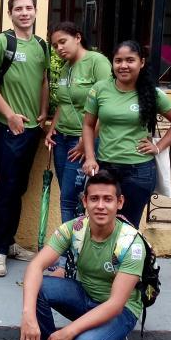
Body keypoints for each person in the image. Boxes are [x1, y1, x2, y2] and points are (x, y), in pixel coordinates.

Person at [15, 171, 145, 340]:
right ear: (85, 201)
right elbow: (35, 266)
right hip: (85, 296)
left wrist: (69, 331)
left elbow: (115, 305)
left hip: (119, 311)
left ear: (119, 203)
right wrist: (28, 314)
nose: (100, 206)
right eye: (94, 198)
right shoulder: (74, 228)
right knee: (38, 286)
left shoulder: (132, 243)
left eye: (108, 199)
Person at [0, 0, 50, 277]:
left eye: (28, 7)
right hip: (9, 131)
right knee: (7, 189)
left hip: (32, 130)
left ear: (35, 11)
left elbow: (44, 79)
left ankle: (8, 243)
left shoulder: (42, 45)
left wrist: (44, 111)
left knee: (19, 188)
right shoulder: (2, 42)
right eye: (18, 8)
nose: (24, 12)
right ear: (10, 13)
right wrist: (9, 114)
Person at [82, 40, 171, 228]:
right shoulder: (100, 89)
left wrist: (158, 147)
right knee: (102, 225)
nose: (123, 66)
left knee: (128, 228)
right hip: (105, 168)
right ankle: (104, 259)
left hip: (139, 172)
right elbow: (89, 125)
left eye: (130, 60)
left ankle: (128, 259)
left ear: (142, 62)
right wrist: (90, 157)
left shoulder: (151, 93)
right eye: (118, 60)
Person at [46, 21, 111, 223]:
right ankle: (73, 245)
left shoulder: (96, 62)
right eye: (55, 46)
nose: (59, 49)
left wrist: (86, 143)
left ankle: (70, 250)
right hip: (61, 140)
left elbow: (106, 105)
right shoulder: (66, 69)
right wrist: (51, 129)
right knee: (69, 194)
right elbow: (63, 104)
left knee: (71, 197)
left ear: (78, 37)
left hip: (82, 141)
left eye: (63, 42)